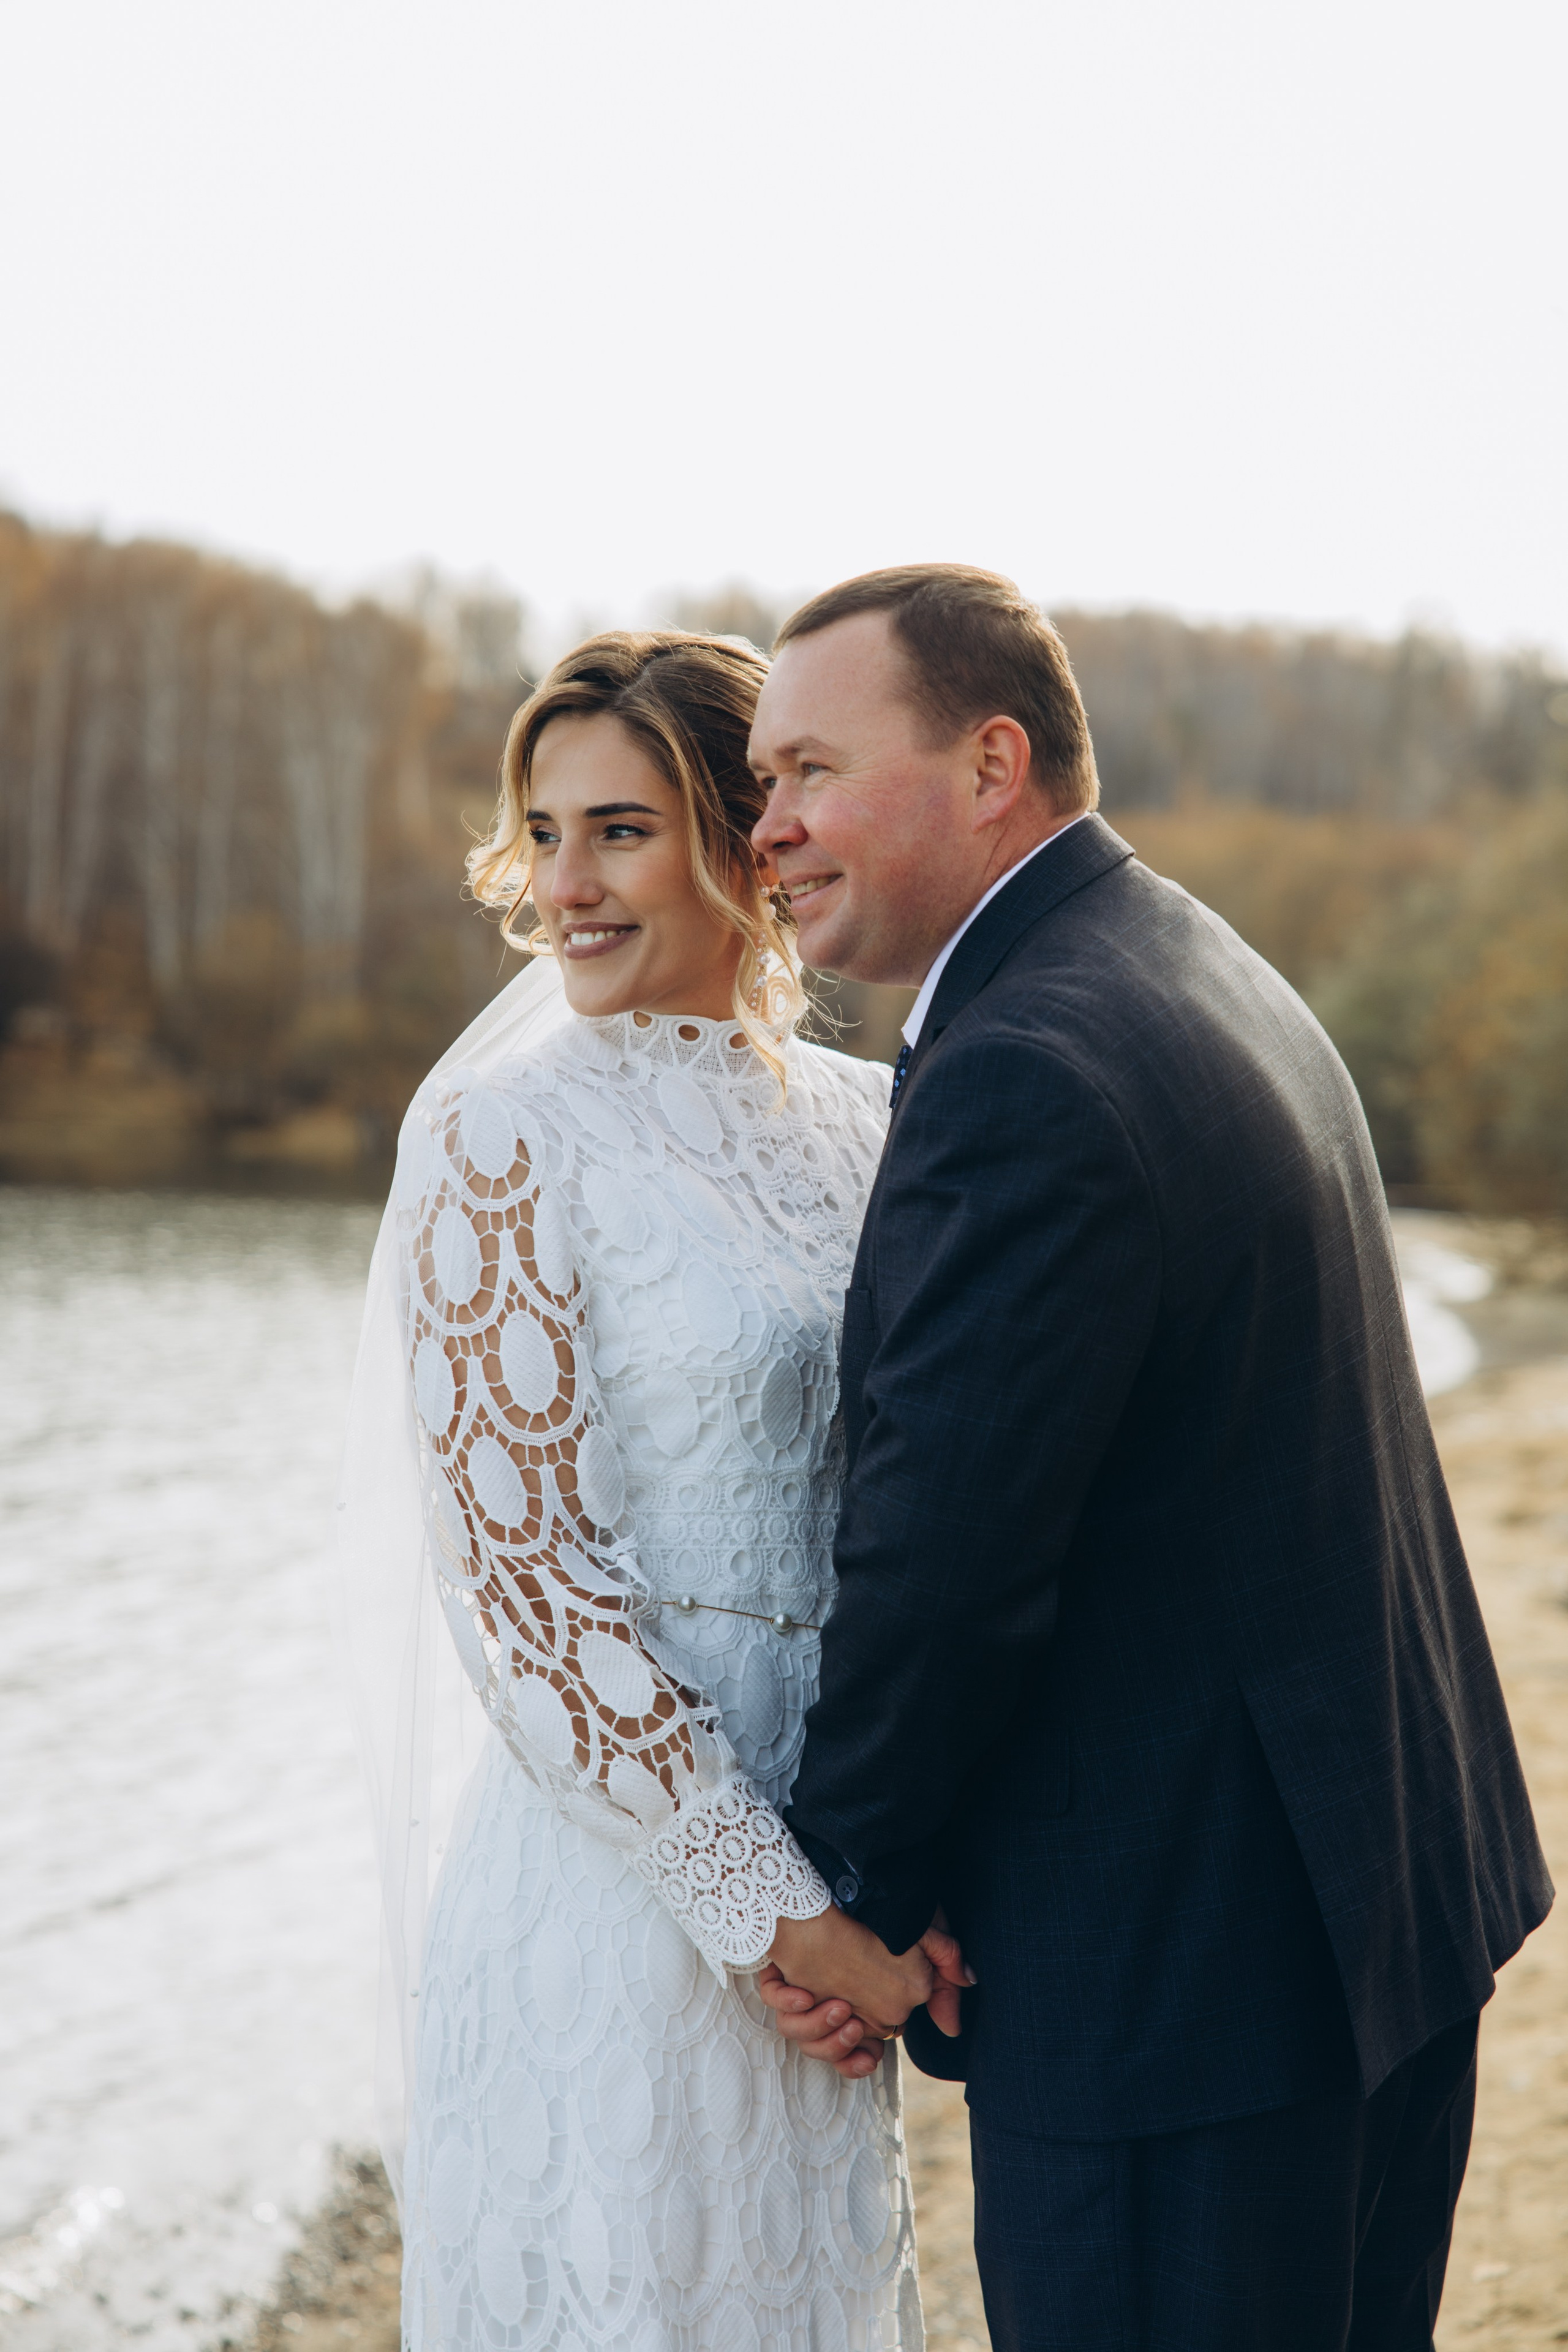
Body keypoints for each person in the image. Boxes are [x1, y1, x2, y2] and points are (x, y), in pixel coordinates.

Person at [745, 565, 1554, 2351]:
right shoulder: (1185, 956)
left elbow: (948, 1560)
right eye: (756, 783)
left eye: (808, 770)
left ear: (990, 763)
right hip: (1373, 1910)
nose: (771, 828)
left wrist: (844, 1902)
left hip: (1183, 1992)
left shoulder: (1025, 1065)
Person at [339, 628, 965, 2351]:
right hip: (622, 1901)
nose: (567, 886)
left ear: (742, 830)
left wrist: (887, 1884)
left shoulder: (882, 1119)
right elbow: (526, 1591)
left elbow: (935, 1503)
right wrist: (774, 1920)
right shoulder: (498, 1139)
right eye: (543, 835)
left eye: (618, 828)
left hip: (845, 1847)